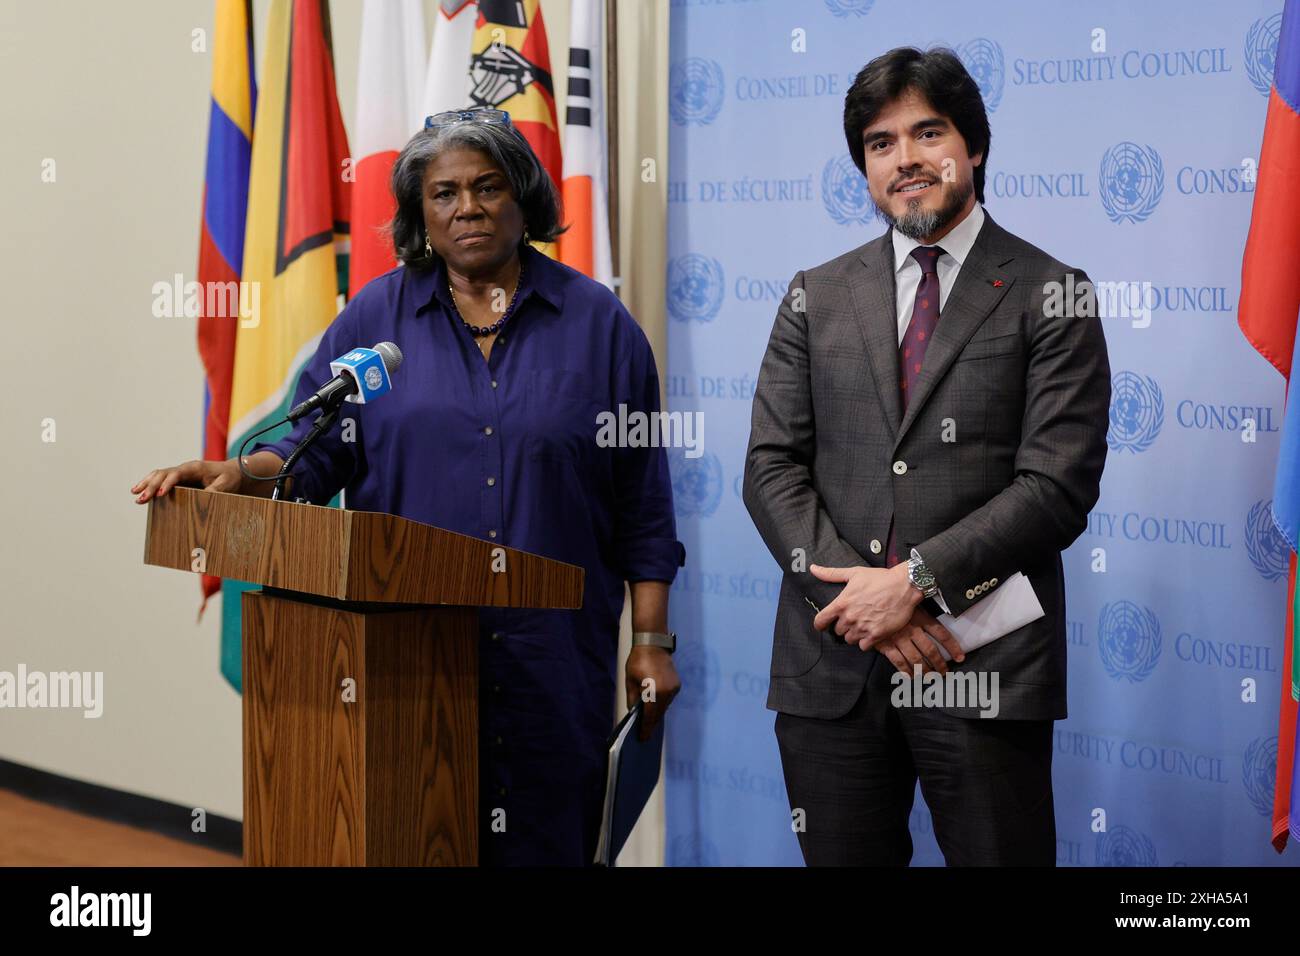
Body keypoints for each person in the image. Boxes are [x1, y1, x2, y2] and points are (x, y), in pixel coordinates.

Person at [132, 108, 685, 866]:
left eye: (488, 187)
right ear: (419, 212)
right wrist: (239, 476)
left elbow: (643, 506)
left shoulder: (600, 327)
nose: (467, 208)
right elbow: (308, 454)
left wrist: (651, 643)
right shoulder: (376, 320)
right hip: (404, 675)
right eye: (444, 193)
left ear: (523, 196)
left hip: (555, 669)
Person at [743, 47, 1110, 866]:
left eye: (927, 132)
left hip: (982, 666)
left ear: (972, 147)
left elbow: (1055, 486)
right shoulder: (816, 293)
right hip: (832, 664)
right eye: (880, 143)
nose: (905, 159)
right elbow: (769, 468)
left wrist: (914, 586)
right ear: (865, 168)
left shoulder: (1055, 291)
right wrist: (862, 605)